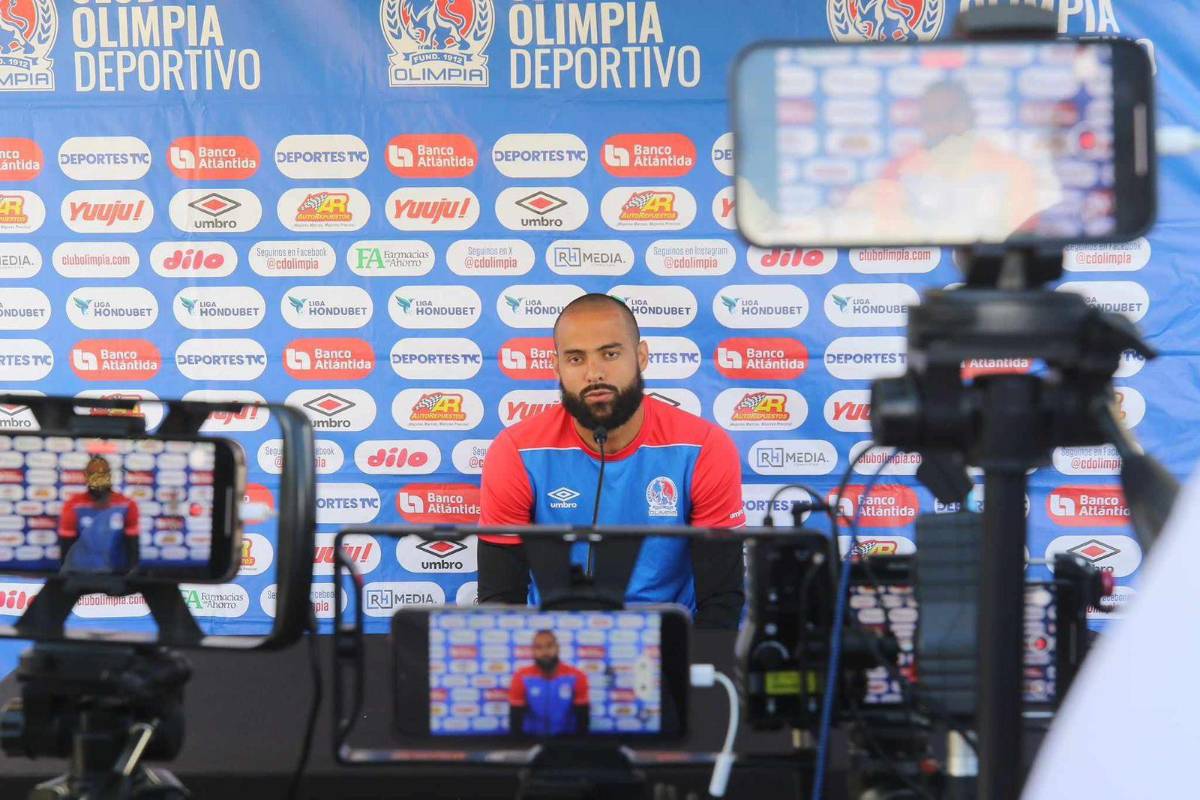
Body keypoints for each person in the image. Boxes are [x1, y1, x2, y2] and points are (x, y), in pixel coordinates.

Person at [477, 293, 746, 628]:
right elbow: (500, 600)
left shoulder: (704, 447)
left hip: (667, 641)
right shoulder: (515, 451)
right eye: (576, 359)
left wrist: (688, 659)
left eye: (610, 354)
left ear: (641, 356)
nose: (594, 373)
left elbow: (721, 602)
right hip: (553, 643)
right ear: (557, 367)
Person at [58, 454, 140, 575]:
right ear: (86, 477)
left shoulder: (127, 504)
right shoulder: (73, 505)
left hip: (117, 574)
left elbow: (132, 545)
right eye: (93, 474)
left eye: (102, 474)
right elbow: (66, 545)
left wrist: (130, 574)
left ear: (109, 476)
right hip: (80, 574)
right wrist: (68, 576)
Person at [507, 629, 590, 736]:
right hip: (532, 739)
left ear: (557, 648)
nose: (545, 652)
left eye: (549, 646)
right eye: (539, 647)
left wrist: (575, 744)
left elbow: (583, 721)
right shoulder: (521, 677)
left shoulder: (577, 676)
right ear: (533, 651)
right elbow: (515, 722)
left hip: (567, 740)